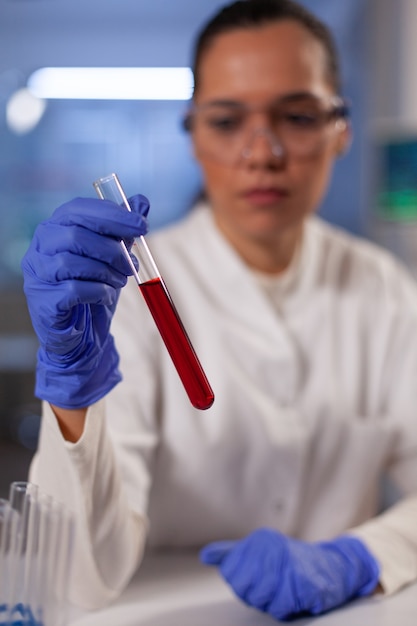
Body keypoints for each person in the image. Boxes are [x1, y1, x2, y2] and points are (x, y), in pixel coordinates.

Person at [21, 0, 417, 621]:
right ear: (194, 133)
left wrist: (363, 557)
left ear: (340, 128)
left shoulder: (386, 290)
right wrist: (73, 399)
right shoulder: (119, 293)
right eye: (228, 120)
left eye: (296, 115)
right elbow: (75, 581)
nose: (262, 152)